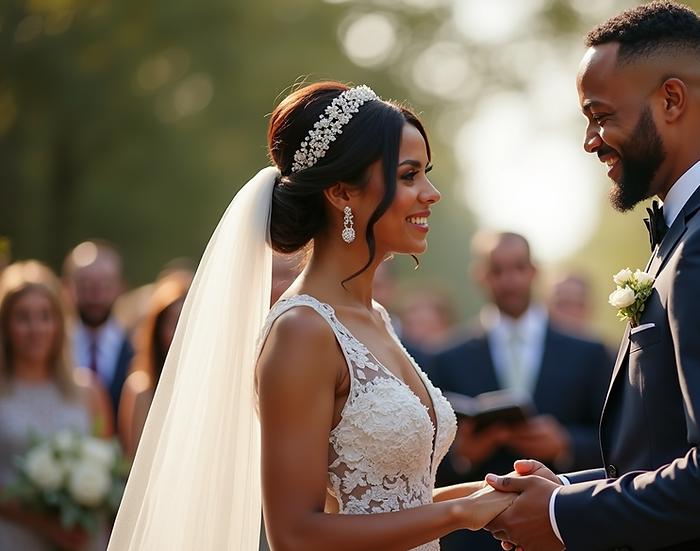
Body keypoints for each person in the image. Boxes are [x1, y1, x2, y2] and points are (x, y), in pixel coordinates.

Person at [483, 3, 700, 551]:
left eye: (600, 115)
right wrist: (563, 494)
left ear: (671, 99)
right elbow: (672, 451)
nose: (590, 139)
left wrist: (561, 517)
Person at [107, 82, 514, 551]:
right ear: (342, 193)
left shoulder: (375, 316)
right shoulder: (302, 331)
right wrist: (459, 513)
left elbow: (386, 503)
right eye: (409, 175)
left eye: (426, 173)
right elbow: (295, 534)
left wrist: (493, 495)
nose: (432, 193)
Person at [426, 231, 611, 551]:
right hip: (476, 538)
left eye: (518, 268)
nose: (509, 280)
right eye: (497, 270)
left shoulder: (590, 353)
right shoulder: (445, 358)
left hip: (564, 529)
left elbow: (614, 440)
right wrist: (462, 457)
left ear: (534, 271)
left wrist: (564, 443)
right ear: (480, 276)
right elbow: (424, 460)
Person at [0, 260, 114, 551]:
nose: (36, 328)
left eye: (45, 316)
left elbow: (109, 471)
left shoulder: (88, 389)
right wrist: (43, 521)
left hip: (80, 541)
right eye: (23, 317)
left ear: (59, 323)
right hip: (16, 538)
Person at [116, 269, 192, 458]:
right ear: (158, 329)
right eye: (174, 323)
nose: (181, 332)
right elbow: (134, 460)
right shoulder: (141, 388)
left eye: (188, 322)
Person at [62, 240, 135, 425]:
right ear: (66, 288)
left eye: (105, 285)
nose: (95, 296)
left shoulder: (139, 350)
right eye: (84, 285)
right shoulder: (52, 348)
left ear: (121, 288)